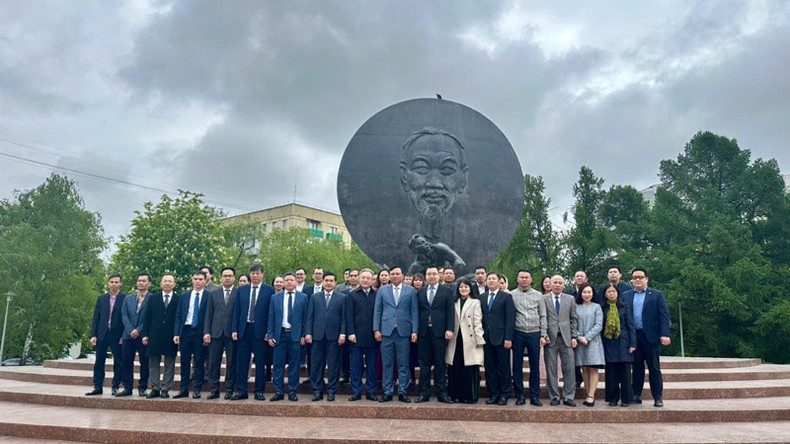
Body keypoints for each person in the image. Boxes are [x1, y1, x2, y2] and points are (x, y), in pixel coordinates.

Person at [622, 268, 670, 407]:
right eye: (635, 277)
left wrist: (665, 334)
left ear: (646, 279)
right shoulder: (626, 295)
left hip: (651, 336)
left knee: (654, 368)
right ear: (631, 280)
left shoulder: (656, 295)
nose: (637, 280)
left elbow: (664, 316)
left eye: (640, 277)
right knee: (636, 368)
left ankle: (658, 396)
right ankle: (636, 394)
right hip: (633, 336)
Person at [374, 265, 418, 403]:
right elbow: (378, 310)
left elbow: (414, 311)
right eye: (392, 274)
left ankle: (402, 392)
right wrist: (376, 329)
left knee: (403, 363)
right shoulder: (382, 290)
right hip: (386, 331)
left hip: (404, 331)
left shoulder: (410, 291)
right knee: (387, 363)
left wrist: (415, 330)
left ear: (402, 275)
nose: (394, 276)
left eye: (397, 274)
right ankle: (387, 391)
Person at [231, 264, 275, 401]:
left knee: (260, 363)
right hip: (244, 330)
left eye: (257, 273)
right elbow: (236, 312)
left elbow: (271, 313)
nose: (255, 276)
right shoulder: (242, 290)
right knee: (242, 362)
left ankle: (259, 391)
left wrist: (269, 331)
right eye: (252, 273)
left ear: (262, 275)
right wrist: (234, 329)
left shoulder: (270, 290)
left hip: (260, 332)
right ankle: (241, 390)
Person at [415, 266, 454, 403]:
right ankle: (424, 393)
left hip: (440, 332)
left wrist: (450, 329)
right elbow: (417, 312)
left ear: (439, 276)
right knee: (424, 363)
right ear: (426, 276)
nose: (431, 276)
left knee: (440, 363)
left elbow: (450, 312)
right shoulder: (420, 292)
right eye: (429, 274)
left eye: (434, 274)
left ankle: (441, 392)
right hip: (424, 332)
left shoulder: (447, 292)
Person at [267, 272, 308, 402]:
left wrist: (303, 334)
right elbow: (271, 317)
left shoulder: (303, 297)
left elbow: (306, 318)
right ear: (283, 283)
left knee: (294, 365)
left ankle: (292, 391)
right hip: (280, 335)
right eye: (287, 280)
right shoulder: (275, 297)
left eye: (292, 280)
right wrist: (270, 334)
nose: (289, 282)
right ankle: (279, 391)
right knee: (278, 365)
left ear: (296, 282)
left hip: (295, 336)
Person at [306, 272, 346, 401]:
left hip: (334, 336)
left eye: (331, 281)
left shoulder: (341, 297)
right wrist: (308, 333)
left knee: (334, 364)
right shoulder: (314, 297)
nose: (328, 283)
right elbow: (310, 317)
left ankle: (331, 390)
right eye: (326, 280)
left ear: (335, 283)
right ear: (323, 282)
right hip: (317, 336)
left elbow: (344, 318)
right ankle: (317, 390)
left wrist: (342, 333)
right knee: (317, 364)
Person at [510, 269, 546, 406]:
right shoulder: (511, 295)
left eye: (527, 277)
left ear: (531, 279)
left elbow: (543, 315)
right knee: (517, 365)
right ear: (517, 279)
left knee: (534, 365)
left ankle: (534, 396)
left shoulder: (538, 295)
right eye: (522, 277)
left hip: (534, 333)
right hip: (517, 333)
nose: (524, 280)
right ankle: (519, 395)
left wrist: (543, 334)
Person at [86, 273, 126, 396]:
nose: (114, 284)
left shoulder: (125, 298)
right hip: (102, 334)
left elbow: (126, 318)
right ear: (108, 283)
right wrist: (93, 335)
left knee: (118, 362)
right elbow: (96, 318)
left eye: (116, 282)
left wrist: (124, 336)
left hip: (117, 335)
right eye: (112, 282)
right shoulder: (101, 298)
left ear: (120, 284)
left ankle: (115, 386)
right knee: (99, 362)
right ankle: (97, 386)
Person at [445, 279, 484, 403]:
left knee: (469, 368)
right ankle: (456, 395)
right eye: (461, 287)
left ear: (470, 289)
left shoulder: (475, 302)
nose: (463, 289)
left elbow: (477, 321)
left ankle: (470, 396)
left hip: (470, 339)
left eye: (466, 287)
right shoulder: (454, 301)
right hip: (455, 338)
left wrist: (479, 338)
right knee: (456, 367)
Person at [141, 274, 179, 398]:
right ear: (161, 284)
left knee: (169, 363)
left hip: (171, 336)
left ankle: (165, 389)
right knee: (153, 363)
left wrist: (177, 334)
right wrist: (145, 334)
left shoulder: (179, 299)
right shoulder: (153, 298)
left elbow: (180, 318)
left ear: (174, 284)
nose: (167, 283)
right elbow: (147, 317)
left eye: (170, 281)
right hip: (154, 335)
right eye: (165, 281)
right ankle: (155, 388)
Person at [543, 275, 578, 406]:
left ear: (564, 285)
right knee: (551, 369)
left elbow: (573, 319)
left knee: (569, 368)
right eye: (555, 282)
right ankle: (554, 396)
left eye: (560, 283)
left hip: (566, 338)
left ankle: (569, 397)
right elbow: (542, 318)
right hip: (550, 339)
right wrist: (544, 334)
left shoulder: (570, 299)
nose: (557, 285)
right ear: (550, 284)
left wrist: (574, 336)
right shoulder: (544, 299)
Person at [173, 271, 210, 399]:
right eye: (195, 279)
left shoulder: (209, 296)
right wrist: (177, 333)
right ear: (192, 280)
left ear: (205, 281)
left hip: (200, 332)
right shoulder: (184, 296)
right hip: (186, 331)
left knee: (199, 361)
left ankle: (197, 389)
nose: (198, 281)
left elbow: (209, 316)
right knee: (184, 361)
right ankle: (183, 389)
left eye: (200, 279)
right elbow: (178, 315)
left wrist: (207, 332)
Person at [203, 267, 238, 400]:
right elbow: (208, 314)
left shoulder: (238, 293)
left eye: (230, 276)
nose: (227, 278)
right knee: (213, 361)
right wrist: (206, 331)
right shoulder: (213, 293)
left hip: (231, 333)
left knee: (231, 362)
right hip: (215, 332)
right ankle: (214, 389)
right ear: (221, 278)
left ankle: (229, 389)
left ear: (234, 277)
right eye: (224, 276)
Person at [481, 271, 515, 405]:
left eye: (493, 279)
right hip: (486, 338)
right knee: (490, 367)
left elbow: (510, 319)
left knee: (504, 366)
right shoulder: (482, 297)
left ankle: (505, 394)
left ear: (499, 281)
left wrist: (508, 338)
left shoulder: (506, 297)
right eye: (489, 279)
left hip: (501, 338)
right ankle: (493, 393)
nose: (491, 281)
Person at [601, 283, 636, 407]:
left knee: (625, 373)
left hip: (624, 342)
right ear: (605, 294)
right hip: (609, 342)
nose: (611, 294)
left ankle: (626, 399)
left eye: (613, 291)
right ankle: (613, 398)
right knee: (611, 373)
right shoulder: (602, 308)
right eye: (609, 292)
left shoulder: (624, 307)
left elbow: (630, 325)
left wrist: (633, 343)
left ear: (617, 293)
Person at [346, 269, 379, 401]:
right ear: (359, 279)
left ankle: (371, 391)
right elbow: (348, 315)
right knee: (356, 365)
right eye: (363, 277)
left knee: (371, 366)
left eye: (368, 278)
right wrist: (351, 332)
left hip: (372, 336)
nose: (365, 280)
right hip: (356, 336)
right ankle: (356, 391)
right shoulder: (352, 295)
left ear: (372, 281)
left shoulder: (376, 295)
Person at [118, 273, 151, 397]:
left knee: (145, 362)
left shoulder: (152, 299)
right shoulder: (128, 298)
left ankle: (142, 387)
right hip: (128, 335)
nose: (141, 283)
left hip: (143, 336)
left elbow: (149, 318)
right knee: (126, 362)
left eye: (143, 281)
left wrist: (138, 330)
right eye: (139, 280)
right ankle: (127, 387)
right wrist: (131, 329)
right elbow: (124, 315)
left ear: (149, 283)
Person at [574, 283, 605, 407]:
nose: (587, 295)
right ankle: (587, 394)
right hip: (580, 342)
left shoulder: (597, 307)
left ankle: (591, 395)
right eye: (584, 292)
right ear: (580, 293)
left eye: (589, 292)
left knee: (593, 368)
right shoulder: (576, 307)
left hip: (593, 342)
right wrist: (579, 337)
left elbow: (599, 324)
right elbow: (572, 323)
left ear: (593, 294)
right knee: (584, 369)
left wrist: (587, 337)